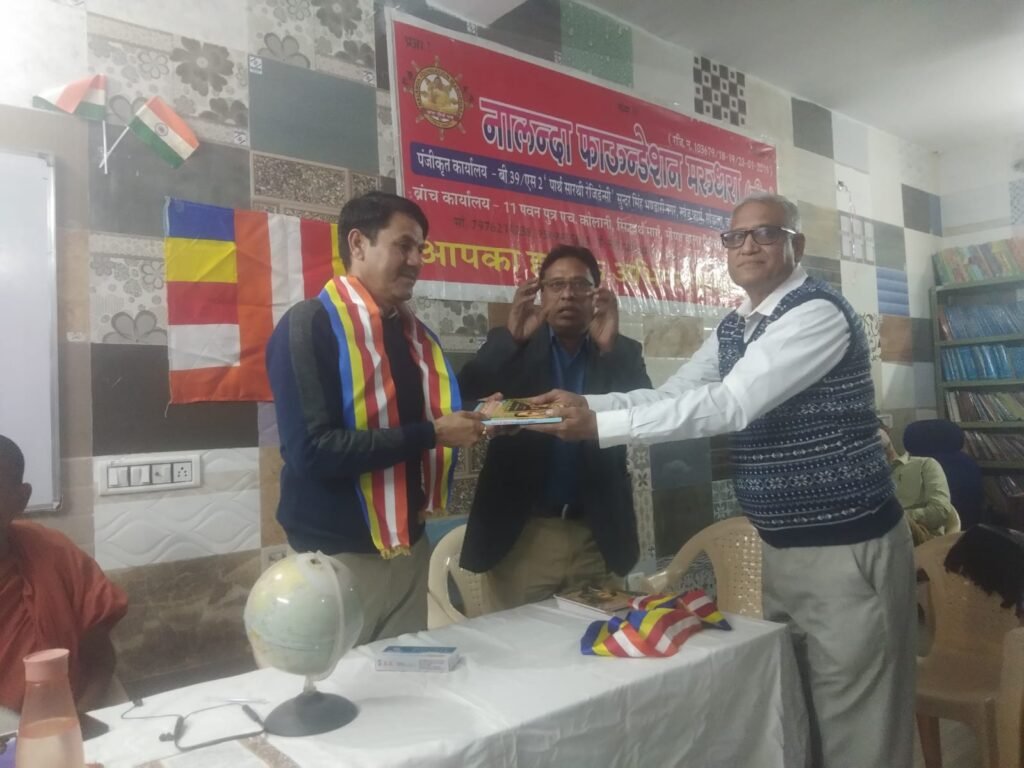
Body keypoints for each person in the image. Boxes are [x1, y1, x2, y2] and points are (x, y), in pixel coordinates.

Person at [527, 193, 916, 768]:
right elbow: (673, 395)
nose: (748, 246)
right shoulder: (737, 325)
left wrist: (599, 426)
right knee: (802, 710)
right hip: (783, 546)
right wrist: (585, 405)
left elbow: (732, 404)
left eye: (766, 233)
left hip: (847, 549)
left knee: (860, 727)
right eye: (735, 237)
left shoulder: (816, 313)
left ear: (797, 244)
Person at [266, 192, 485, 645]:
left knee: (403, 677)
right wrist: (432, 434)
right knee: (341, 680)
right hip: (338, 556)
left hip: (409, 547)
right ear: (358, 244)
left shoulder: (413, 336)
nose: (416, 260)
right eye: (403, 245)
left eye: (420, 248)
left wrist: (479, 414)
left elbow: (412, 417)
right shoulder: (309, 325)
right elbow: (312, 451)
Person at [457, 245, 651, 610]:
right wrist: (511, 339)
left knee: (598, 641)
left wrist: (610, 350)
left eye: (580, 285)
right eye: (556, 285)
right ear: (541, 293)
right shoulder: (511, 343)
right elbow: (463, 399)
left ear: (597, 295)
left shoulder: (621, 351)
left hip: (596, 533)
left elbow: (645, 417)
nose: (568, 295)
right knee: (521, 642)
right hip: (523, 536)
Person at [0, 434, 128, 713]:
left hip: (71, 714)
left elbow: (100, 662)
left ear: (21, 498)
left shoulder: (52, 554)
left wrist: (74, 723)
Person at [879, 425, 960, 544]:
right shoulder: (866, 481)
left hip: (923, 540)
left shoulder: (925, 464)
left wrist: (899, 518)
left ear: (886, 431)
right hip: (881, 542)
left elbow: (940, 511)